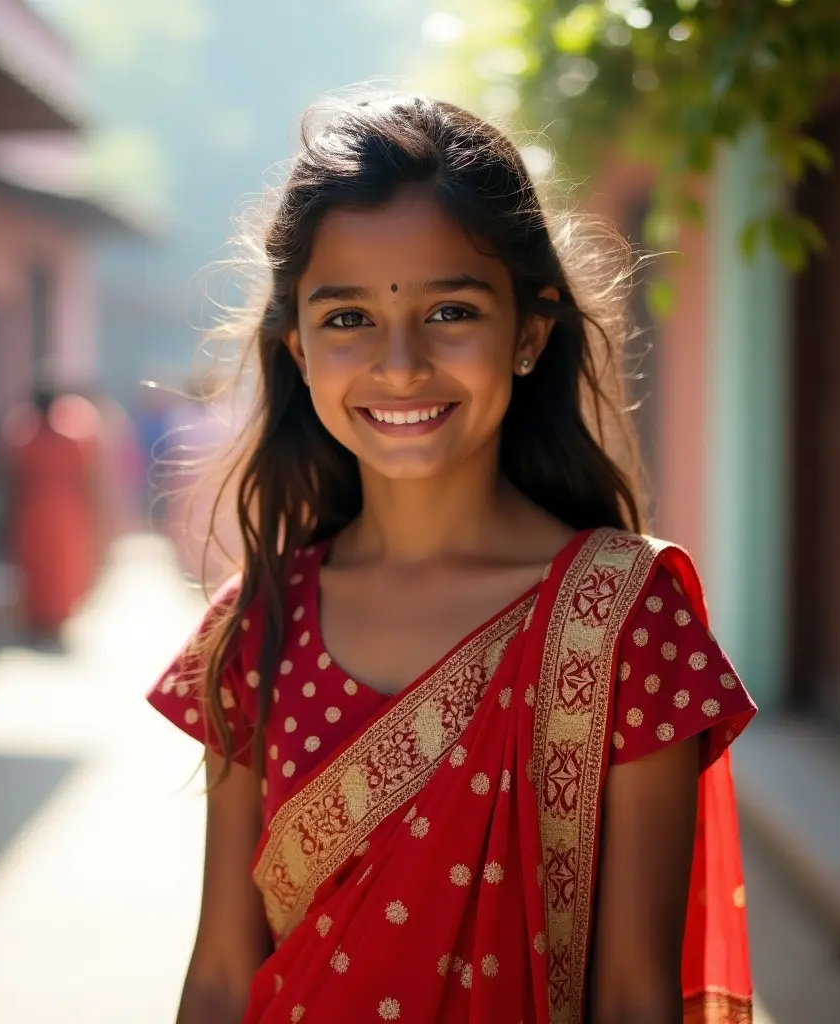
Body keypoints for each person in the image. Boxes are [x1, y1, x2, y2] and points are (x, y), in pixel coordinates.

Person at [146, 95, 757, 1024]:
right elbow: (224, 974)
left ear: (528, 332)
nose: (400, 364)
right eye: (348, 318)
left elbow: (637, 997)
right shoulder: (255, 622)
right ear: (297, 347)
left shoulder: (622, 620)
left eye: (451, 311)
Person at [3, 386, 102, 641]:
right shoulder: (70, 439)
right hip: (64, 510)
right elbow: (87, 478)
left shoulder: (24, 439)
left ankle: (44, 617)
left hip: (35, 511)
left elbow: (13, 480)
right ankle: (52, 617)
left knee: (43, 564)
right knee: (57, 563)